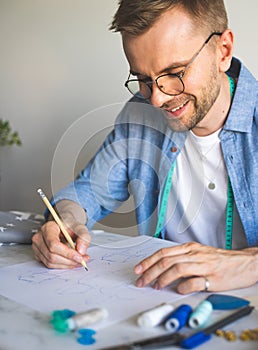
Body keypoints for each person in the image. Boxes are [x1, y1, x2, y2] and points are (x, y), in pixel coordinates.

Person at [32, 0, 258, 294]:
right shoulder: (139, 114)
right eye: (142, 79)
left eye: (175, 73)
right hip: (165, 304)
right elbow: (89, 191)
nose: (157, 100)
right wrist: (65, 221)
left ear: (223, 51)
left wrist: (248, 263)